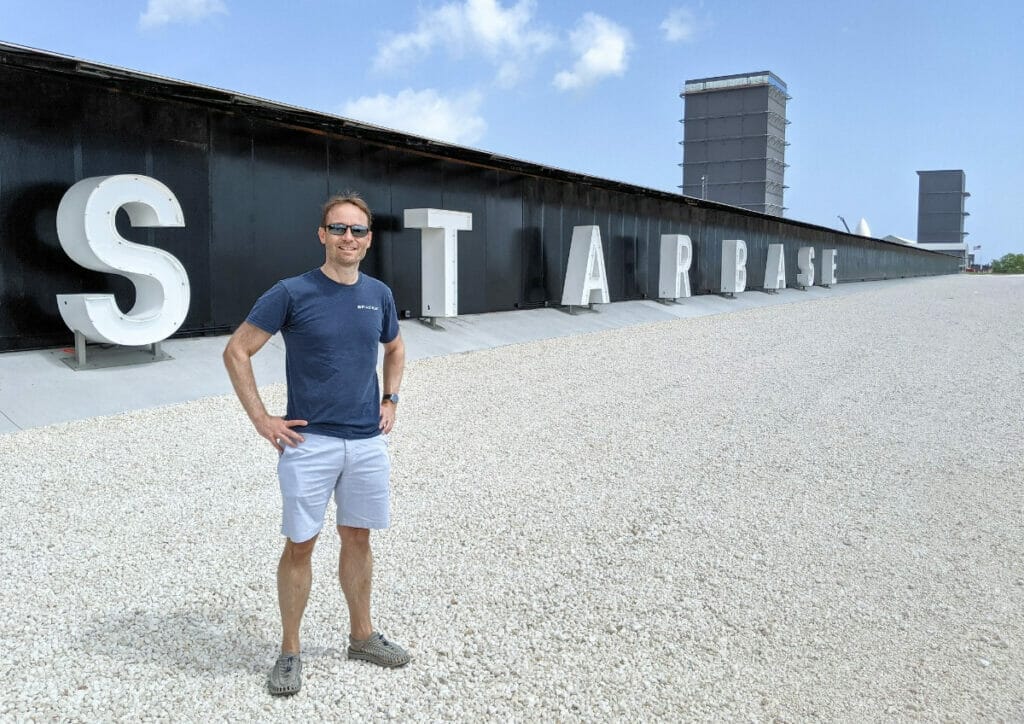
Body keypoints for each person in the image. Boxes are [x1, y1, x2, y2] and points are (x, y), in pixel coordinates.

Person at [223, 192, 409, 697]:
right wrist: (262, 419)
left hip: (367, 443)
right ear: (321, 234)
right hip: (311, 443)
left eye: (358, 230)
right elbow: (237, 350)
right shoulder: (291, 292)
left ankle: (362, 636)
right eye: (338, 228)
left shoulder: (379, 294)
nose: (348, 237)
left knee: (358, 538)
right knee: (301, 544)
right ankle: (289, 650)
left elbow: (394, 346)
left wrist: (391, 399)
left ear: (368, 240)